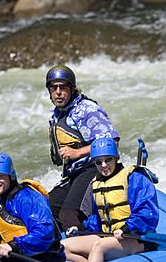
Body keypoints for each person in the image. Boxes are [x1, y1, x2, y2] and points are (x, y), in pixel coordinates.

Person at [62, 137, 159, 262]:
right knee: (63, 246)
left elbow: (147, 213)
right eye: (98, 162)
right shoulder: (96, 183)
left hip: (134, 238)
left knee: (99, 246)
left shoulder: (134, 177)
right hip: (107, 237)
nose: (104, 165)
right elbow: (97, 218)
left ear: (116, 158)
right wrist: (80, 227)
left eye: (108, 159)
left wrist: (127, 228)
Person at [45, 65, 120, 232]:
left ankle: (86, 250)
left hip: (95, 167)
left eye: (63, 87)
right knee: (47, 207)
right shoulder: (56, 116)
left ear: (71, 89)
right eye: (54, 87)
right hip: (75, 173)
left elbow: (111, 141)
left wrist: (77, 152)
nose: (58, 92)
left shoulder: (87, 109)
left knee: (68, 215)